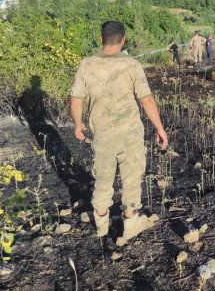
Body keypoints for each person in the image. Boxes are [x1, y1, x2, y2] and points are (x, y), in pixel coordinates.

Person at [70, 21, 169, 240]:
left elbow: (76, 100)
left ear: (101, 39)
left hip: (102, 134)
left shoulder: (87, 64)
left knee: (103, 179)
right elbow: (147, 100)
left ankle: (102, 226)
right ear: (123, 40)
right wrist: (160, 128)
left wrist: (78, 124)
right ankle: (131, 224)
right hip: (130, 133)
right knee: (132, 177)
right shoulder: (132, 65)